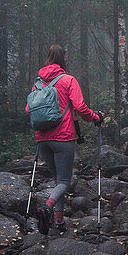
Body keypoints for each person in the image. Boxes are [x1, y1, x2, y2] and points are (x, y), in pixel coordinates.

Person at [26, 44, 101, 234]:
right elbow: (81, 107)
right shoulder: (68, 80)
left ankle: (58, 222)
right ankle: (47, 208)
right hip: (63, 137)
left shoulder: (38, 83)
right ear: (63, 59)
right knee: (64, 181)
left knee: (57, 180)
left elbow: (29, 110)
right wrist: (96, 118)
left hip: (42, 139)